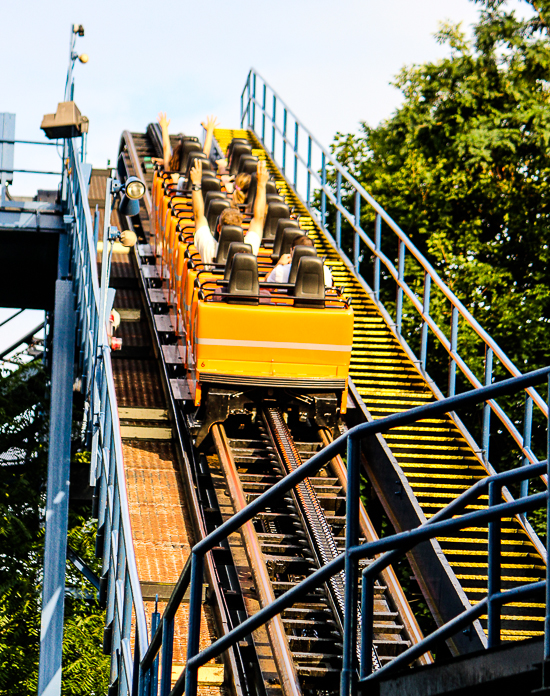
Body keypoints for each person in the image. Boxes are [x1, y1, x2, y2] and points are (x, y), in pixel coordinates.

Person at [190, 159, 269, 265]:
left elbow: (198, 215)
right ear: (240, 229)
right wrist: (261, 184)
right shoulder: (249, 249)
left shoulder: (208, 247)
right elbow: (259, 218)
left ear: (218, 228)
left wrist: (196, 183)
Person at [264, 235, 333, 286]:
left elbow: (267, 282)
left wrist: (278, 264)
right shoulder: (325, 271)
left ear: (292, 250)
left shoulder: (280, 270)